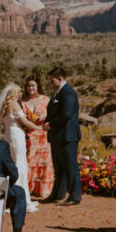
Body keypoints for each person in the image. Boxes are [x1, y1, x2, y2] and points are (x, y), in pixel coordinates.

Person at [0, 83, 43, 213]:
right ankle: (20, 198)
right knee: (20, 164)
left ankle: (14, 195)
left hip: (8, 135)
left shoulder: (5, 105)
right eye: (18, 92)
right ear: (14, 93)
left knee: (13, 163)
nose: (20, 94)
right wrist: (38, 127)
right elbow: (23, 121)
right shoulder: (13, 104)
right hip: (17, 135)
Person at [44, 67, 82, 205]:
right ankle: (58, 193)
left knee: (70, 166)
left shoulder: (68, 93)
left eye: (51, 80)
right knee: (59, 167)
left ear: (59, 78)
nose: (50, 83)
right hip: (58, 137)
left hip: (67, 136)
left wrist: (51, 125)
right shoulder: (58, 93)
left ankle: (75, 196)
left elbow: (66, 114)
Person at [21, 76, 55, 201]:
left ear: (38, 87)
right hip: (30, 135)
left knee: (45, 162)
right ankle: (30, 188)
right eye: (29, 86)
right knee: (30, 160)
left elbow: (53, 115)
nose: (30, 88)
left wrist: (45, 115)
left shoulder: (46, 100)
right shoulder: (23, 102)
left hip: (44, 134)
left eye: (33, 86)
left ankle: (44, 189)